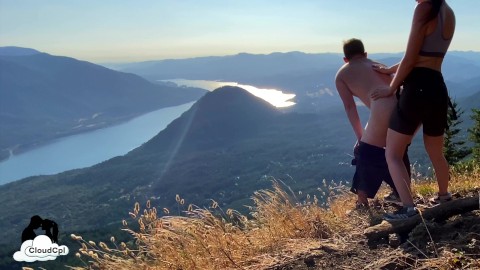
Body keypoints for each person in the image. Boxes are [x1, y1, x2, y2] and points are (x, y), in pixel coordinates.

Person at [371, 0, 455, 220]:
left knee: (393, 153)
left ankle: (409, 209)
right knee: (436, 152)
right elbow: (424, 54)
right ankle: (444, 196)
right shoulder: (448, 12)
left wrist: (391, 88)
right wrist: (390, 69)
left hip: (417, 88)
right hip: (438, 87)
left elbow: (410, 58)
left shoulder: (424, 8)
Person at [335, 38, 410, 209]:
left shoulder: (342, 74)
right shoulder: (378, 64)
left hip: (383, 107)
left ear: (345, 59)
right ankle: (402, 191)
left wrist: (360, 136)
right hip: (408, 104)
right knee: (398, 150)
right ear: (365, 54)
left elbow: (350, 108)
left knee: (365, 151)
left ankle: (362, 202)